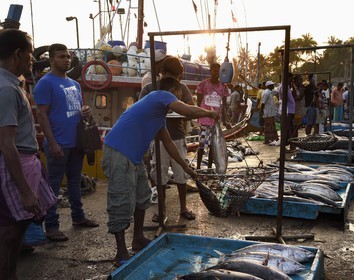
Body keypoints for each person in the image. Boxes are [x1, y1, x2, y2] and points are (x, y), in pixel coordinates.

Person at [101, 76, 218, 266]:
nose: (180, 97)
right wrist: (210, 113)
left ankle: (137, 238)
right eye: (180, 93)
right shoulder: (159, 95)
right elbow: (187, 111)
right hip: (118, 152)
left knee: (142, 197)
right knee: (121, 201)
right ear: (175, 91)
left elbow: (169, 143)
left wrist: (185, 166)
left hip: (134, 157)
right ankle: (120, 252)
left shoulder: (158, 115)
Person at [0, 29, 57, 279]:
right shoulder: (6, 89)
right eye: (30, 55)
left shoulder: (13, 84)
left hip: (26, 161)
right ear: (18, 54)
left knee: (19, 227)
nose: (32, 60)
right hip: (16, 164)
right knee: (9, 232)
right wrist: (24, 190)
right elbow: (6, 144)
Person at [34, 43, 99, 242]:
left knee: (74, 182)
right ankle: (52, 227)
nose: (66, 60)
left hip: (76, 142)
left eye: (68, 56)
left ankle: (78, 217)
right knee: (53, 185)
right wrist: (52, 143)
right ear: (51, 59)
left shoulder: (74, 84)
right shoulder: (45, 83)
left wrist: (85, 111)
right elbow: (42, 115)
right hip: (58, 143)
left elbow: (75, 109)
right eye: (62, 56)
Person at [139, 56, 196, 222]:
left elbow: (189, 108)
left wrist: (175, 109)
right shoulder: (149, 88)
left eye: (175, 76)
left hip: (177, 136)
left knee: (181, 174)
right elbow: (142, 110)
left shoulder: (182, 88)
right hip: (157, 138)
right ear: (161, 73)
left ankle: (183, 207)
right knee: (159, 174)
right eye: (168, 76)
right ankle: (161, 209)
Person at [195, 63, 229, 170]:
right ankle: (199, 167)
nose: (216, 73)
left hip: (216, 122)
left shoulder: (223, 87)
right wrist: (200, 115)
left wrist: (224, 119)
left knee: (213, 147)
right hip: (205, 120)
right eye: (214, 70)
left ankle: (210, 167)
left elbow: (223, 105)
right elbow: (198, 103)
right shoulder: (202, 84)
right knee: (202, 145)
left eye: (218, 71)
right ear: (210, 71)